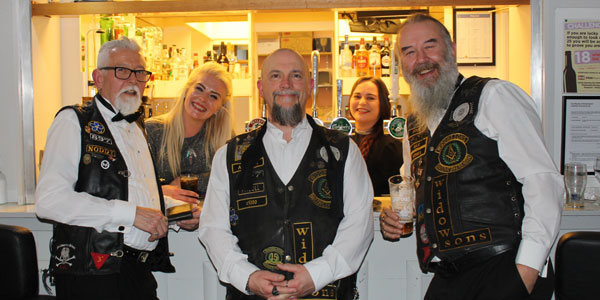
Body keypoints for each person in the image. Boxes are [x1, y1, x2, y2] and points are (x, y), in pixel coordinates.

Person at [379, 13, 563, 300]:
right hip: (450, 274)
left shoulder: (494, 96)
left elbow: (544, 183)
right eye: (409, 52)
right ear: (402, 65)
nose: (421, 59)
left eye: (430, 46)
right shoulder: (412, 126)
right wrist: (392, 217)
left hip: (503, 266)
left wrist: (526, 271)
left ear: (451, 50)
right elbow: (414, 188)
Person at [198, 48, 374, 300]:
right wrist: (248, 276)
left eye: (296, 76)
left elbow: (360, 224)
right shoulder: (230, 154)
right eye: (276, 76)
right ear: (260, 87)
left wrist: (316, 275)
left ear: (310, 85)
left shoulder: (343, 150)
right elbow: (213, 228)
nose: (286, 84)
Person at [35, 37, 199, 300]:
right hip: (91, 275)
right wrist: (130, 214)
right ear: (98, 78)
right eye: (122, 71)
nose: (133, 80)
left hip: (136, 270)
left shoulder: (137, 128)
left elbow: (133, 194)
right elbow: (49, 201)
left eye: (140, 73)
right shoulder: (72, 120)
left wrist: (178, 213)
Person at [146, 62, 233, 204]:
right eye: (199, 88)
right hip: (161, 221)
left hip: (206, 221)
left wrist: (192, 182)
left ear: (220, 107)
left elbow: (233, 178)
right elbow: (133, 184)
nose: (203, 99)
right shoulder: (153, 131)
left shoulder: (225, 138)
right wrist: (160, 191)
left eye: (214, 96)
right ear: (186, 91)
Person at [348, 76, 403, 196]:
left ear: (382, 104)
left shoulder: (391, 146)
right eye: (357, 96)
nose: (362, 102)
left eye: (370, 98)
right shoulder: (342, 140)